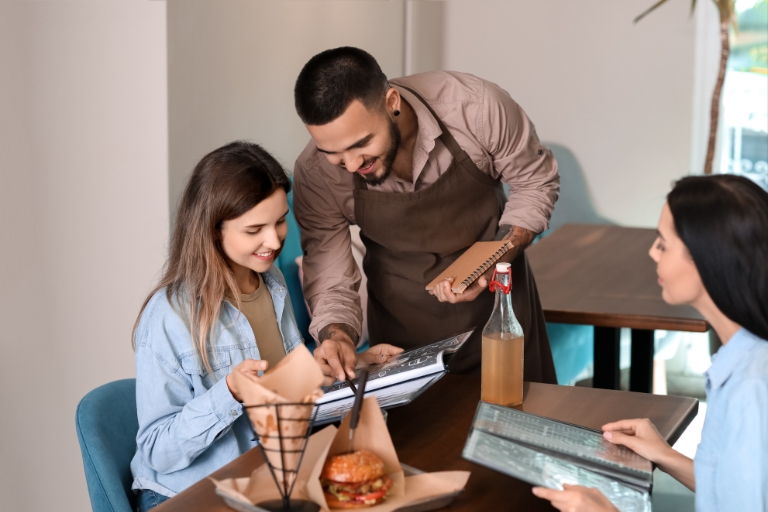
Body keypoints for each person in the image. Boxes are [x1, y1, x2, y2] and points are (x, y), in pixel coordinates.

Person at [129, 141, 401, 511]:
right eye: (254, 229)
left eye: (278, 221)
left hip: (263, 477)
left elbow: (281, 389)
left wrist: (351, 364)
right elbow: (157, 451)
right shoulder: (170, 316)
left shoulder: (270, 282)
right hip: (185, 495)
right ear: (212, 230)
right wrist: (229, 392)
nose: (273, 241)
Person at [292, 46, 560, 384]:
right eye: (332, 152)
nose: (351, 164)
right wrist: (338, 336)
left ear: (392, 103)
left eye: (361, 144)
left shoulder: (474, 107)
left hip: (503, 318)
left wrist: (494, 259)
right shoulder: (316, 174)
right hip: (402, 343)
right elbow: (330, 275)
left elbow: (535, 181)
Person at [533, 174, 768, 512]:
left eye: (663, 243)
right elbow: (730, 490)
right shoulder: (743, 357)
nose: (652, 252)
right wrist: (664, 455)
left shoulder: (751, 388)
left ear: (705, 258)